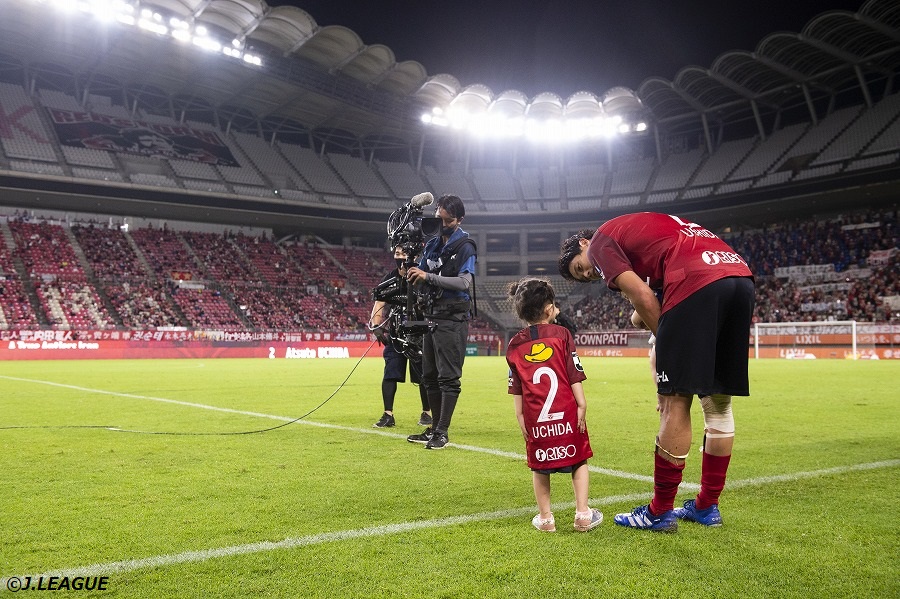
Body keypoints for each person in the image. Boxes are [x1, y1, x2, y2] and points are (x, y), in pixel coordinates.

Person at [558, 212, 755, 533]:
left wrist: (667, 355)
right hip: (738, 276)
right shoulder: (639, 232)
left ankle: (659, 512)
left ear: (583, 244)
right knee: (718, 404)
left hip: (696, 279)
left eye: (581, 267)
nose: (591, 272)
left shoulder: (600, 243)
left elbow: (644, 296)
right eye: (584, 277)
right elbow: (647, 302)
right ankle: (707, 506)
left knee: (675, 401)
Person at [506, 277, 603, 533]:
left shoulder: (514, 344)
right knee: (579, 459)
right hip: (567, 410)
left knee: (540, 464)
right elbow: (573, 372)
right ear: (550, 308)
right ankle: (583, 514)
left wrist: (520, 418)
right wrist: (581, 403)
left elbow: (517, 387)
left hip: (535, 416)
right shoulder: (562, 334)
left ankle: (546, 518)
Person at [405, 194, 476, 450]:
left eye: (447, 220)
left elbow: (464, 283)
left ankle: (442, 432)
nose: (442, 224)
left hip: (452, 317)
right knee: (429, 376)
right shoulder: (432, 244)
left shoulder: (465, 245)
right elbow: (421, 273)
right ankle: (433, 429)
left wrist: (428, 277)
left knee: (448, 378)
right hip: (431, 315)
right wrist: (411, 270)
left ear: (459, 220)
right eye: (439, 218)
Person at [369, 246, 432, 429]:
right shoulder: (389, 278)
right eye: (397, 254)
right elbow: (379, 303)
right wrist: (376, 327)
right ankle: (388, 415)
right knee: (390, 373)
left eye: (404, 253)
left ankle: (427, 412)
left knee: (424, 376)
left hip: (420, 334)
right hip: (396, 334)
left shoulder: (423, 277)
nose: (401, 257)